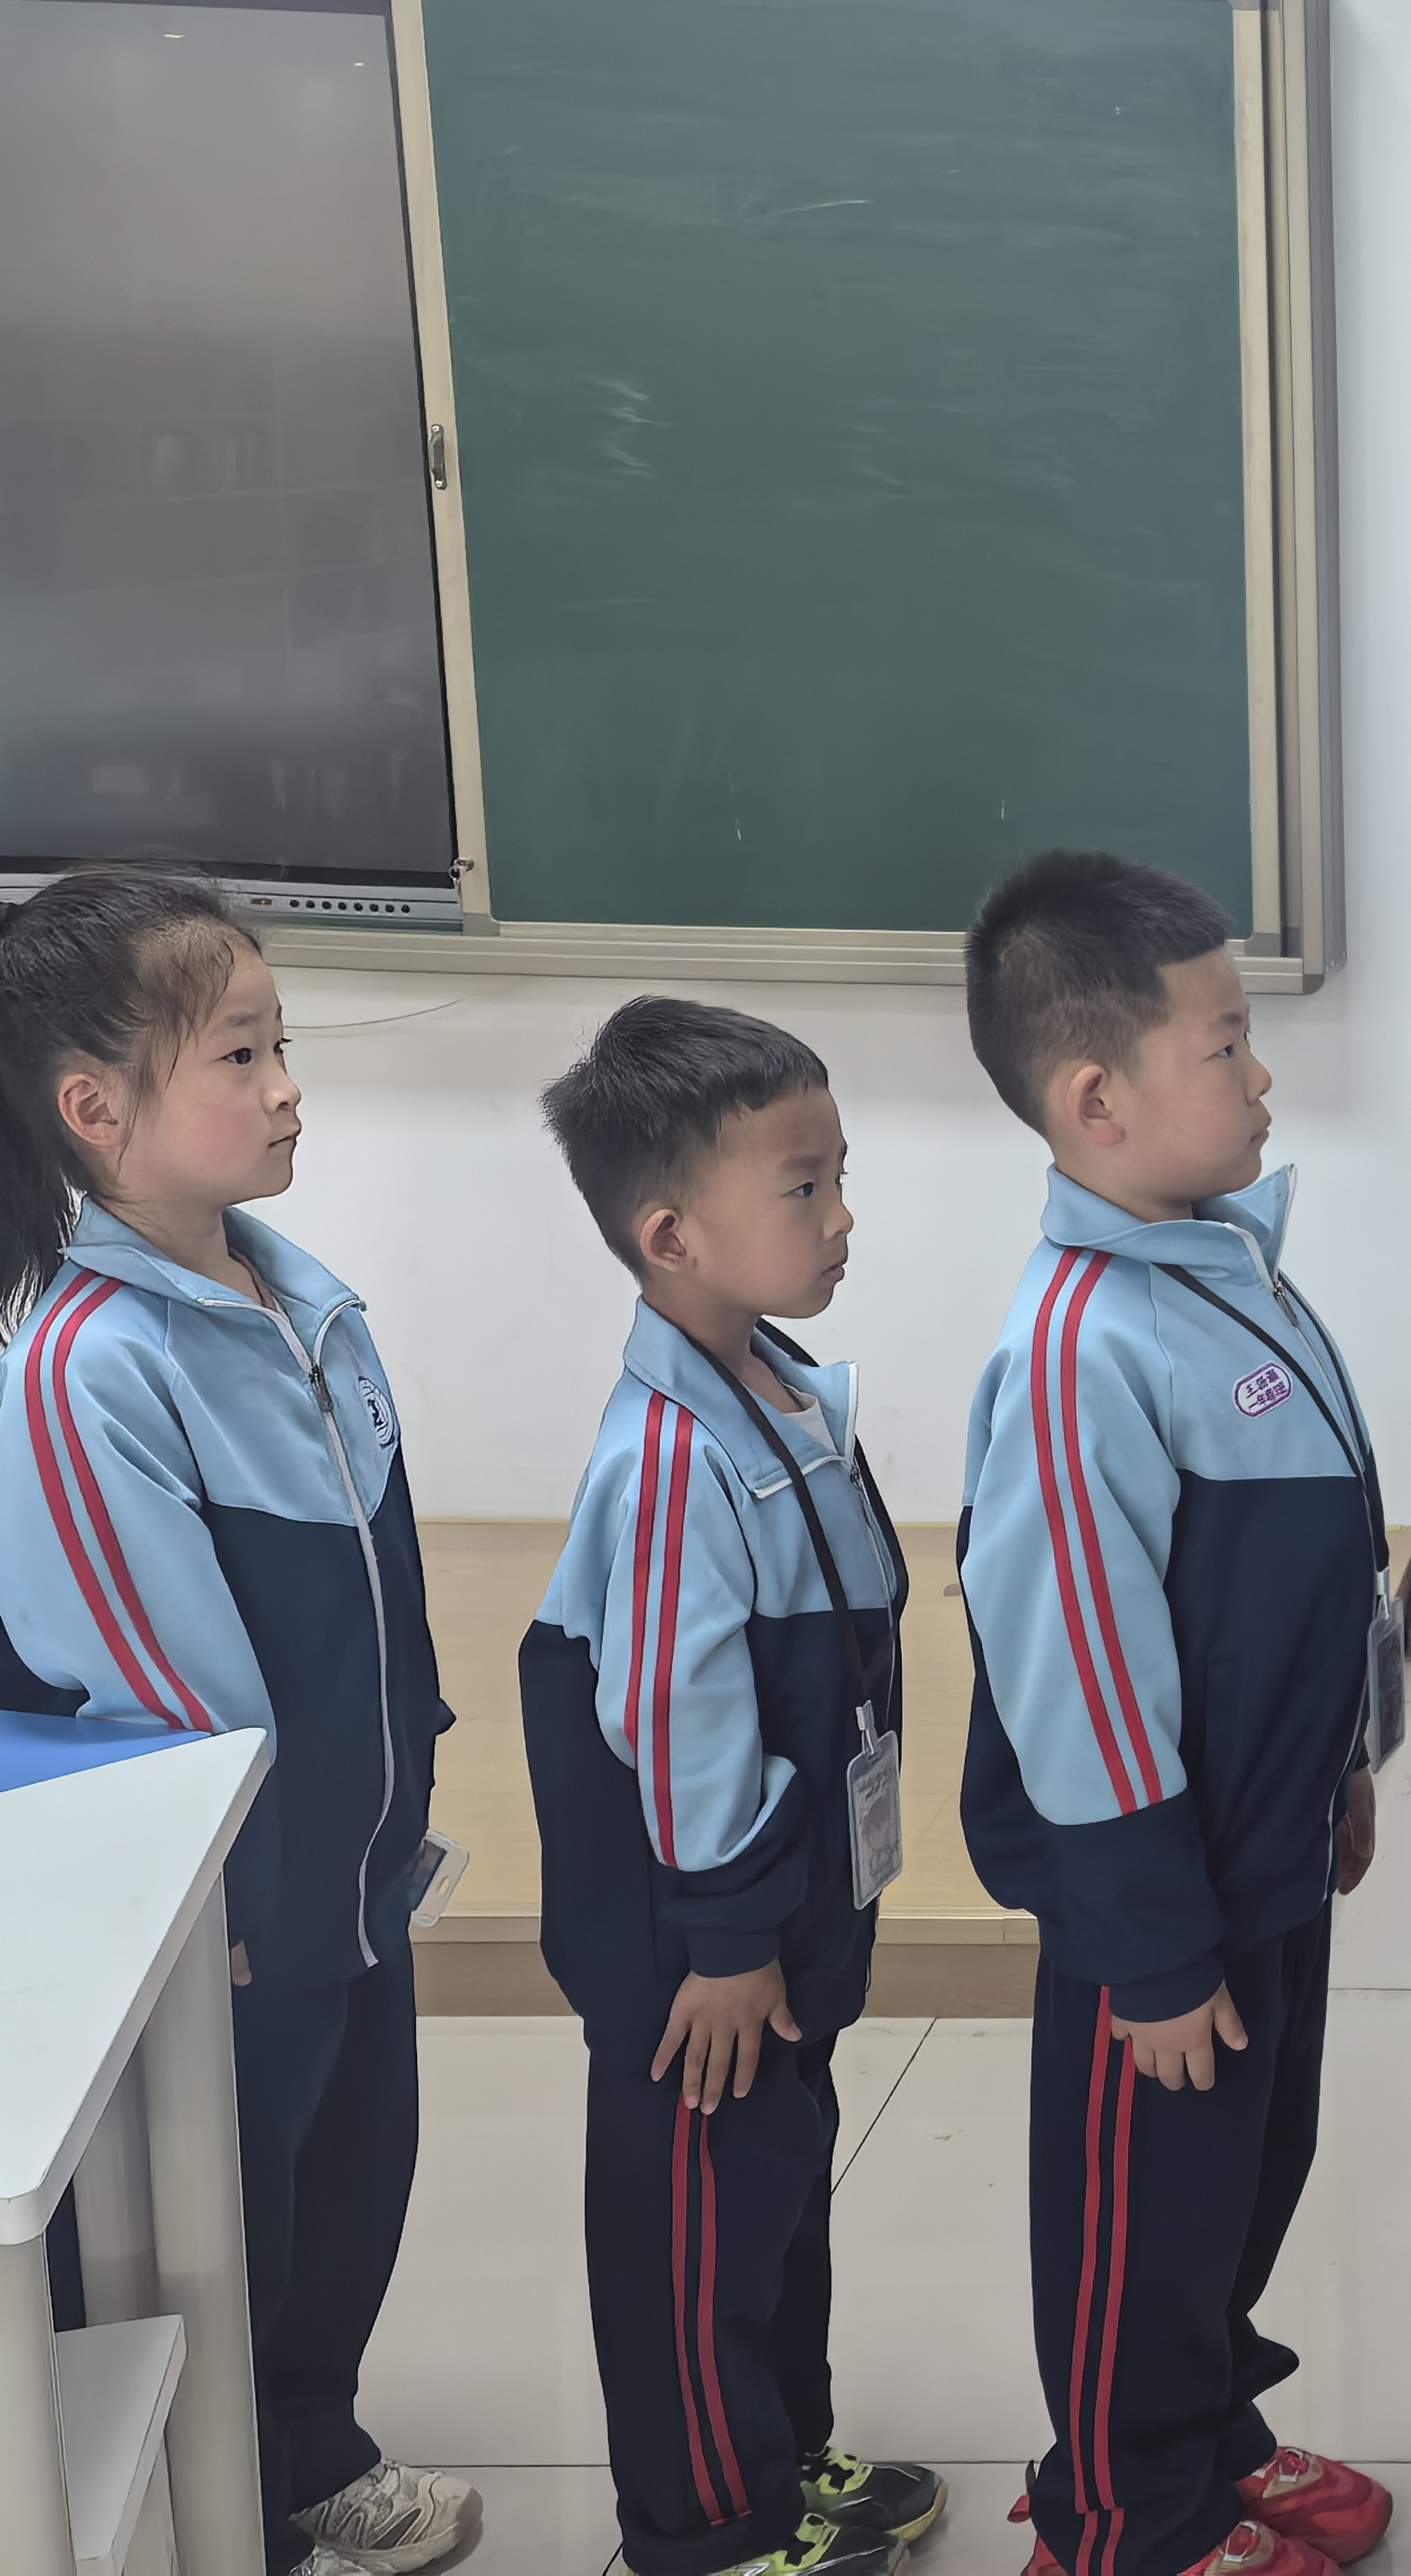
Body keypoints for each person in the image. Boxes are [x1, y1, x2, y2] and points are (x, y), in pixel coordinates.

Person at [0, 870, 474, 2576]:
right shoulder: (83, 1366)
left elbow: (380, 1592)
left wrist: (400, 1787)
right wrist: (240, 1902)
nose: (287, 1089)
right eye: (242, 1053)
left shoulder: (301, 1297)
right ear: (93, 1109)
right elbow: (162, 1688)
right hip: (233, 1912)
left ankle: (309, 2446)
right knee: (215, 2224)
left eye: (283, 1047)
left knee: (350, 2179)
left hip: (350, 1864)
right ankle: (230, 2515)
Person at [955, 853, 1394, 2576]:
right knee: (1139, 2221)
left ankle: (1211, 2434)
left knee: (1243, 2178)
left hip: (1263, 1859)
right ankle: (1126, 2514)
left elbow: (1304, 1581)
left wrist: (1343, 1766)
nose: (1262, 1074)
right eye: (1225, 1044)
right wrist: (1148, 1946)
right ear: (1098, 1098)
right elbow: (1078, 1673)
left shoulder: (1220, 1270)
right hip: (1163, 1905)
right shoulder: (1083, 1349)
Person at [523, 997, 944, 2576]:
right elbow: (676, 1714)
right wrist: (724, 1933)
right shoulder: (670, 1457)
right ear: (672, 1235)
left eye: (840, 1177)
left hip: (783, 1915)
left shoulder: (776, 1388)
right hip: (704, 1943)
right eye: (803, 1187)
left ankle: (781, 2455)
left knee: (770, 2200)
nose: (842, 1219)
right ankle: (707, 2528)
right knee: (693, 2231)